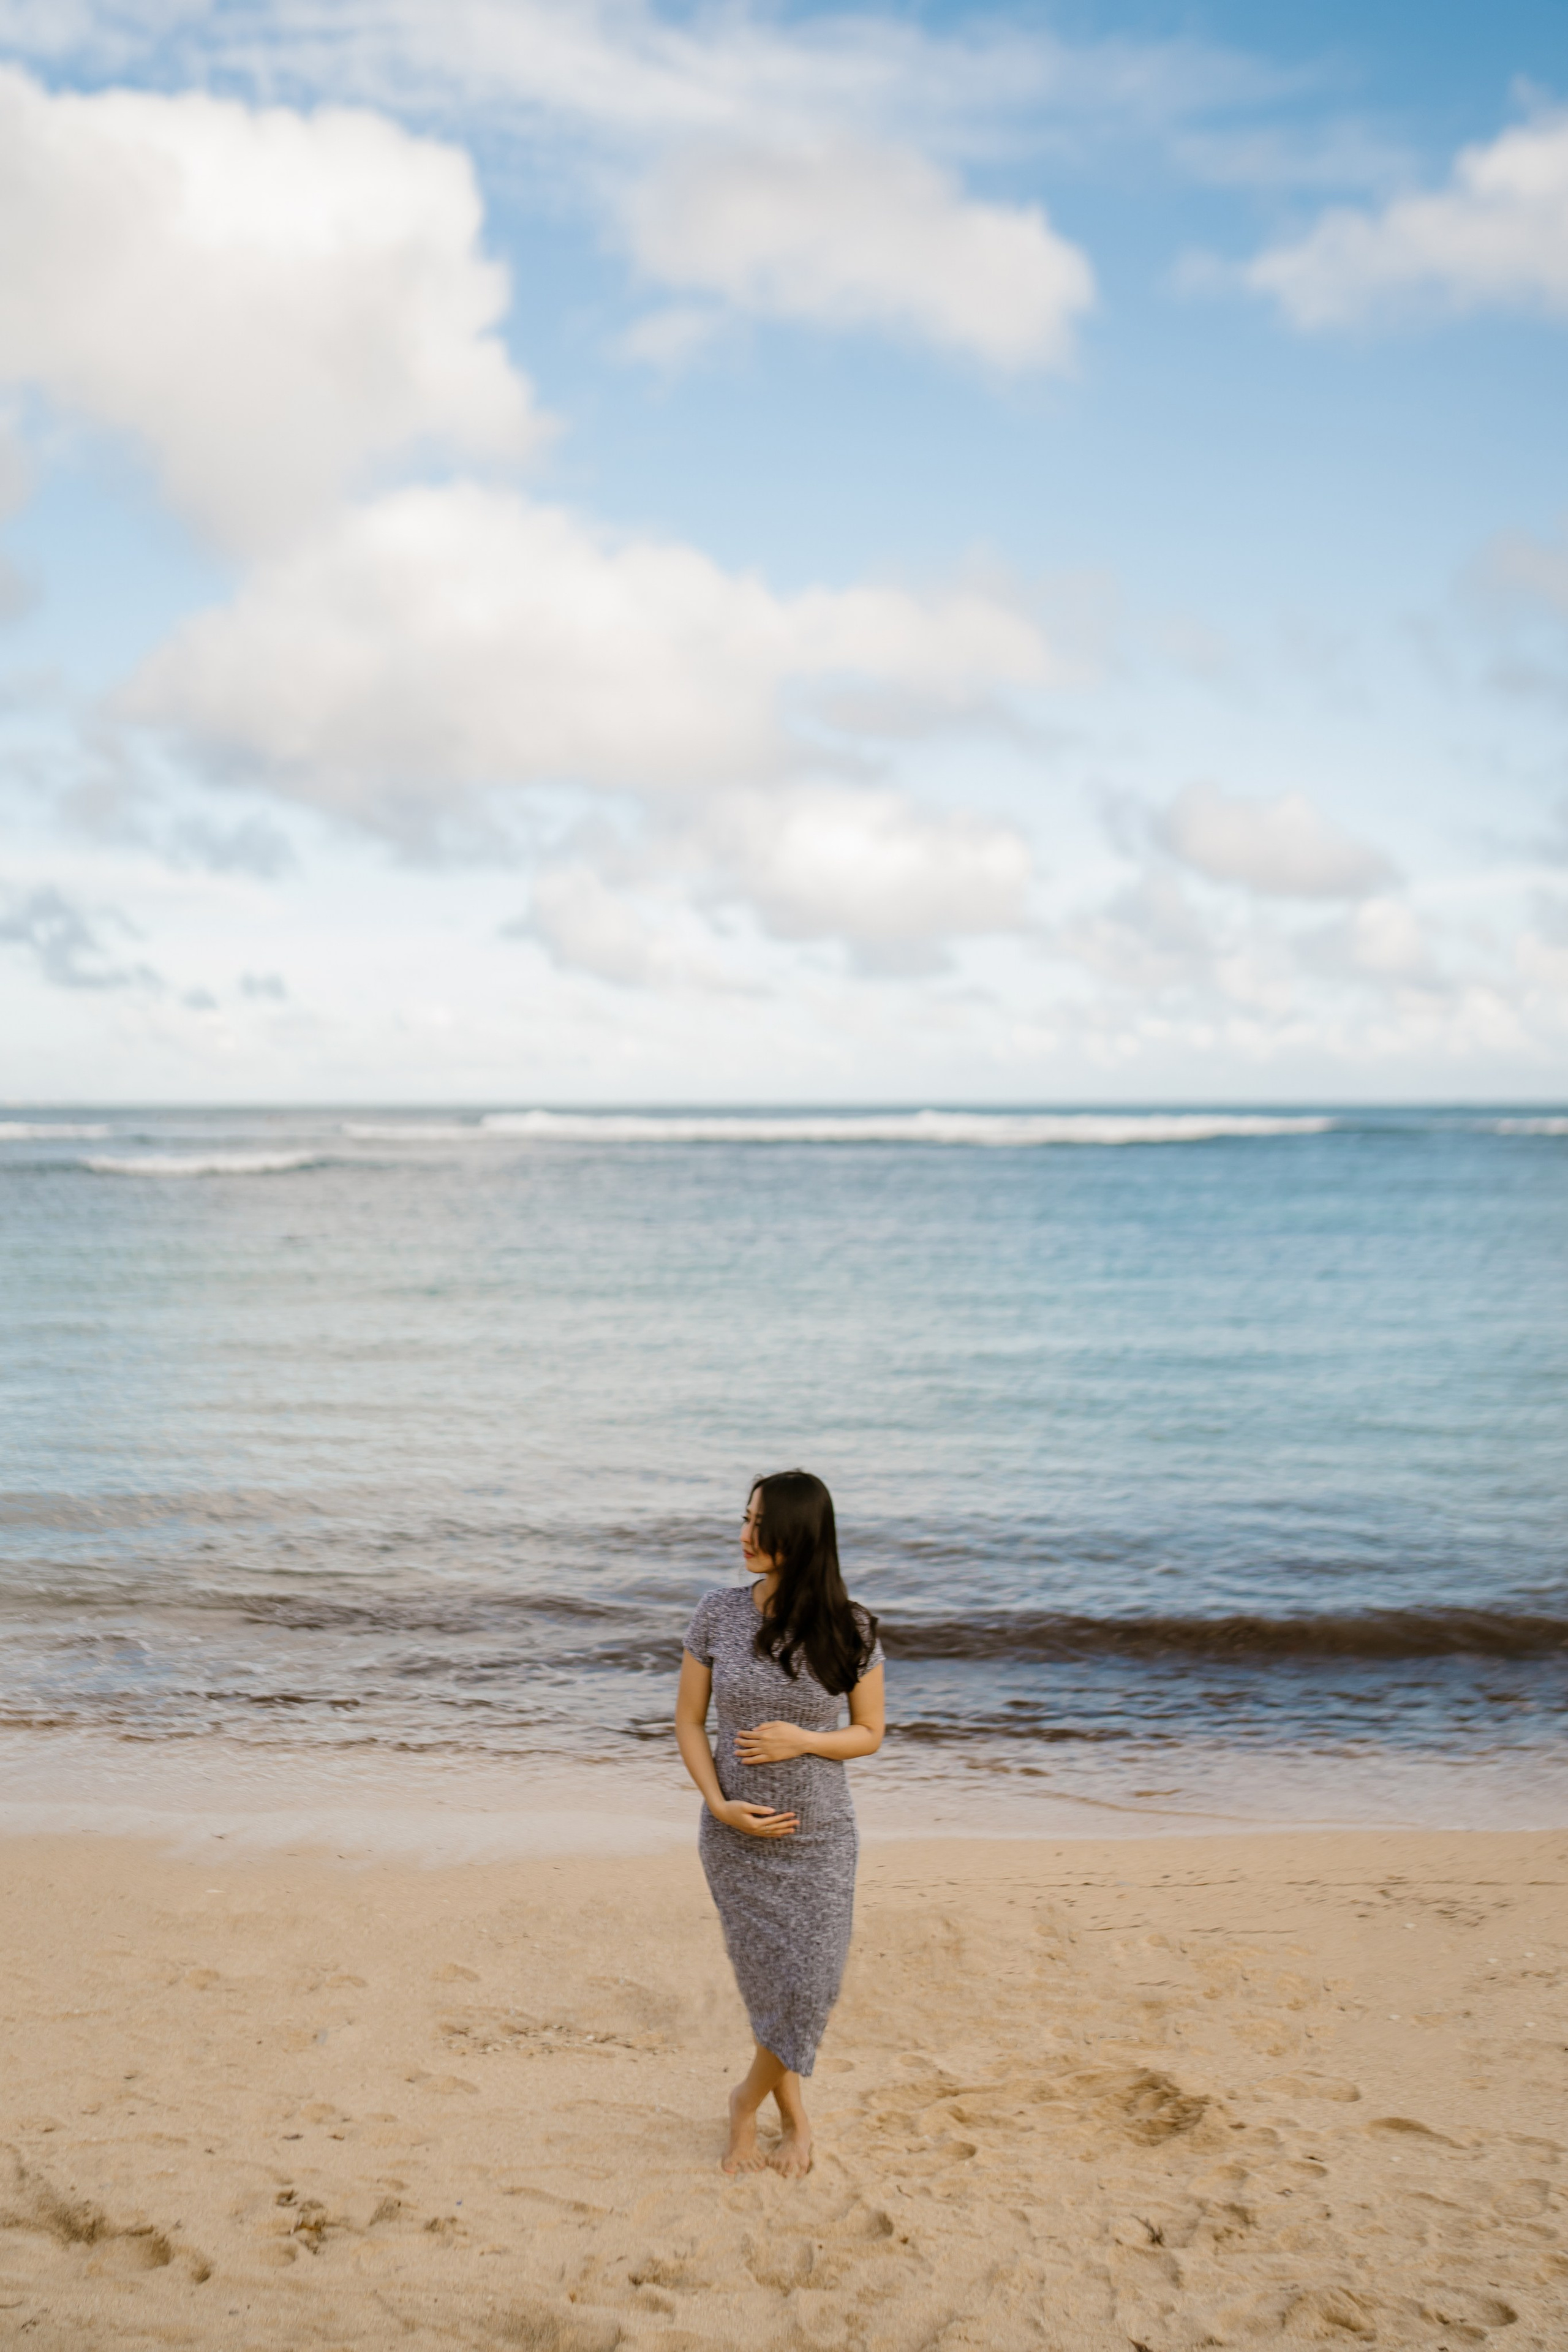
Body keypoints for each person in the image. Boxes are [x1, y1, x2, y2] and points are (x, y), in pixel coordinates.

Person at [675, 1469, 886, 2177]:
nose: (744, 1535)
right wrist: (717, 1804)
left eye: (760, 1524)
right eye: (745, 1518)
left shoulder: (851, 1626)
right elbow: (688, 1720)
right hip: (734, 1838)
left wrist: (805, 1740)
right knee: (773, 1987)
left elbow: (869, 1732)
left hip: (820, 1837)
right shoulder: (717, 1613)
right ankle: (792, 2117)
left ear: (800, 1536)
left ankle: (745, 2100)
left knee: (810, 1985)